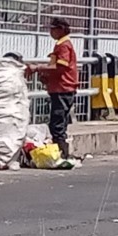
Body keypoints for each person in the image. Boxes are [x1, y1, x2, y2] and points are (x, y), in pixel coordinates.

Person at [27, 18, 79, 159]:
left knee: (57, 124)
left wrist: (38, 68)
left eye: (53, 29)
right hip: (61, 87)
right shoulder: (61, 45)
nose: (50, 32)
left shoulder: (63, 46)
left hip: (63, 88)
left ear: (61, 29)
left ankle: (61, 154)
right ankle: (62, 152)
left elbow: (61, 67)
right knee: (58, 122)